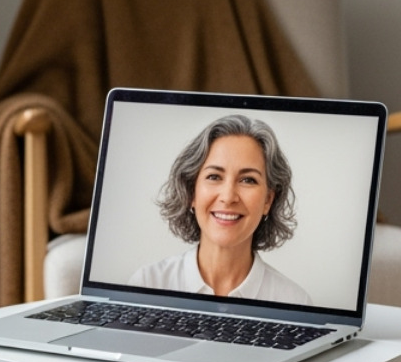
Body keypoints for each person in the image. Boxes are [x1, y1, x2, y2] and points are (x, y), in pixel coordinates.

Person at [128, 113, 312, 304]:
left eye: (248, 180)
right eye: (214, 177)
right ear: (191, 192)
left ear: (268, 200)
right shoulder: (147, 285)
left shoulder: (295, 302)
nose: (228, 197)